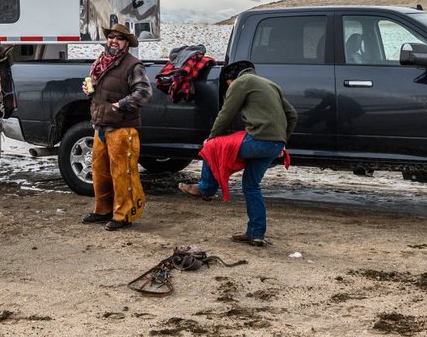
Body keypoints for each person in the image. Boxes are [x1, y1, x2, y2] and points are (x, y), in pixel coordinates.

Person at [179, 60, 297, 247]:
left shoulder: (241, 83)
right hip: (274, 144)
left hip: (258, 140)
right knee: (251, 186)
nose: (228, 88)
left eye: (227, 85)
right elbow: (292, 115)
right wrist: (282, 142)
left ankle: (206, 188)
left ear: (230, 79)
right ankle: (255, 234)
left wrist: (211, 137)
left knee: (214, 146)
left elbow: (226, 114)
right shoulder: (270, 84)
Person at [80, 23, 152, 231]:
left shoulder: (133, 65)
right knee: (100, 171)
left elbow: (144, 93)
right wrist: (89, 90)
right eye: (111, 37)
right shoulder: (101, 63)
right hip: (101, 126)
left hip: (122, 128)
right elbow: (102, 91)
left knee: (122, 173)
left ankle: (123, 215)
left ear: (126, 44)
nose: (113, 40)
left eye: (119, 38)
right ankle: (103, 210)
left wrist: (120, 105)